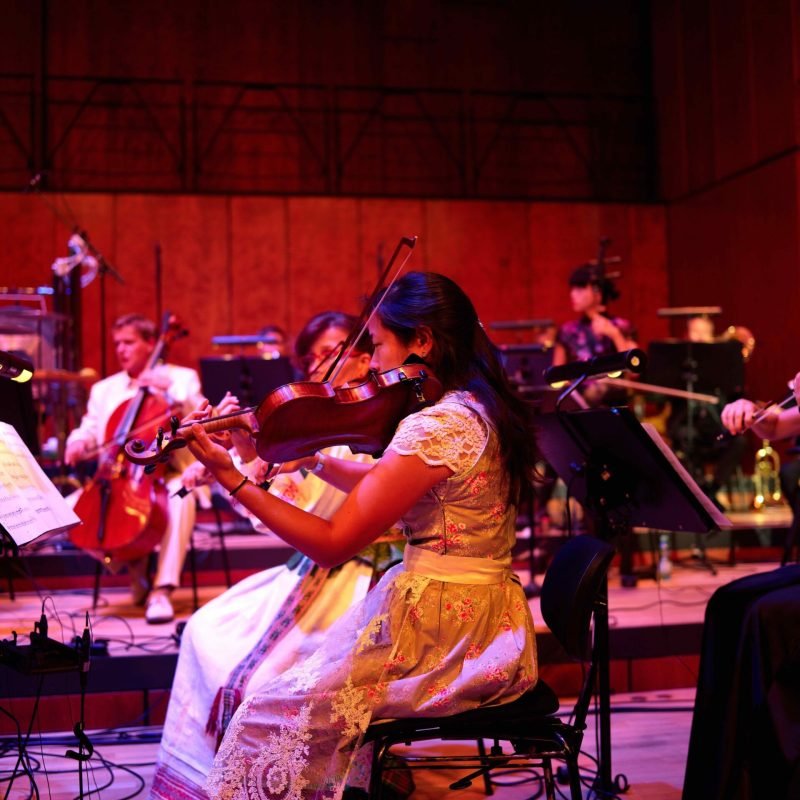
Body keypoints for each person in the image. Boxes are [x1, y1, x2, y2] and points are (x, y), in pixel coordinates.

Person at [183, 271, 539, 798]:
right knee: (290, 704)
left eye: (377, 345)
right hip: (484, 616)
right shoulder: (476, 409)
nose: (371, 363)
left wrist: (231, 477)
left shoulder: (436, 425)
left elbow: (332, 544)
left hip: (445, 632)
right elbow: (385, 481)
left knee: (263, 716)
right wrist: (314, 458)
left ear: (421, 342)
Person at [150, 311, 409, 799]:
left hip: (365, 573)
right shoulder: (320, 424)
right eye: (311, 357)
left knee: (264, 679)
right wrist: (247, 455)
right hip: (312, 569)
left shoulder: (389, 426)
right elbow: (289, 514)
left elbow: (325, 519)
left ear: (364, 353)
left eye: (335, 349)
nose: (322, 363)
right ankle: (210, 781)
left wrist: (247, 465)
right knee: (205, 631)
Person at [64, 313, 205, 624]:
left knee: (180, 497)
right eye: (117, 344)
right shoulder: (105, 389)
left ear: (151, 344)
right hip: (117, 478)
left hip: (168, 474)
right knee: (68, 515)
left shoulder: (181, 379)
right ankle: (133, 563)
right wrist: (77, 441)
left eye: (129, 342)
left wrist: (171, 393)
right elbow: (89, 429)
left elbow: (203, 417)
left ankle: (161, 590)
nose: (121, 350)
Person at [551, 264, 637, 407]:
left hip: (616, 404)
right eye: (572, 289)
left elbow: (634, 372)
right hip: (580, 404)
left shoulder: (621, 326)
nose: (573, 294)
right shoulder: (567, 331)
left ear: (598, 292)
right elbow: (557, 376)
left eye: (580, 288)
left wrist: (615, 334)